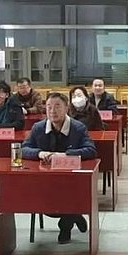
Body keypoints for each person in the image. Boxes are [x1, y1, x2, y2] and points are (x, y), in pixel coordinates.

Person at [21, 92, 97, 243]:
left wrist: (66, 155)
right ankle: (76, 215)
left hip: (71, 178)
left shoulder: (78, 128)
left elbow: (91, 150)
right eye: (49, 107)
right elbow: (24, 149)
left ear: (66, 108)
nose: (52, 111)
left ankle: (65, 226)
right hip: (45, 178)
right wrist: (39, 153)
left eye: (57, 106)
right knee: (46, 201)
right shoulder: (38, 127)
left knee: (70, 193)